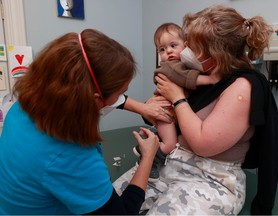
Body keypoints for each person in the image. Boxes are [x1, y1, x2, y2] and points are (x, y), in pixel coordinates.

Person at [113, 5, 278, 215]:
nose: (187, 52)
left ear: (215, 54)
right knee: (112, 204)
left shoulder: (243, 86)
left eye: (193, 47)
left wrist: (177, 97)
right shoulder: (199, 75)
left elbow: (202, 144)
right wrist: (154, 106)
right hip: (170, 162)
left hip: (211, 178)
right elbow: (167, 113)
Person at [0, 29, 160, 215]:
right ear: (93, 99)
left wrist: (142, 107)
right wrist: (148, 157)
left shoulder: (21, 108)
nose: (121, 98)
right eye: (120, 92)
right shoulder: (70, 155)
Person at [133, 22, 215, 181]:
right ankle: (148, 160)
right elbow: (187, 78)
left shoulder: (183, 64)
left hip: (170, 113)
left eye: (173, 45)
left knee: (168, 140)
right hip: (164, 114)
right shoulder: (170, 67)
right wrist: (212, 78)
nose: (168, 51)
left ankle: (146, 149)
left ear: (185, 46)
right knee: (170, 144)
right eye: (162, 49)